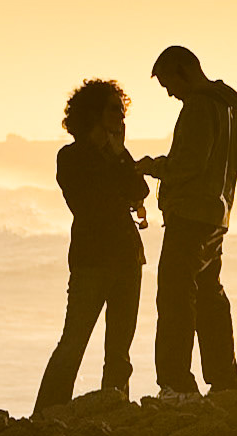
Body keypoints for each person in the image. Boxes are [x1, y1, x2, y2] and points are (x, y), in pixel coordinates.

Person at [32, 79, 151, 416]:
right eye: (114, 108)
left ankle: (114, 409)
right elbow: (92, 202)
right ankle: (46, 415)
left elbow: (139, 191)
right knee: (74, 343)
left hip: (128, 257)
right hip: (92, 261)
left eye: (121, 108)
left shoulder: (115, 154)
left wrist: (118, 154)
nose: (121, 116)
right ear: (93, 113)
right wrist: (114, 160)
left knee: (119, 350)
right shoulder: (71, 157)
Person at [136, 45, 237, 397]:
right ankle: (224, 381)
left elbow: (188, 164)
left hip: (190, 216)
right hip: (217, 216)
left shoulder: (199, 106)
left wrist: (152, 166)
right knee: (210, 298)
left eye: (169, 84)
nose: (169, 93)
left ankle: (176, 382)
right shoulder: (231, 109)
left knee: (175, 300)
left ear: (184, 70)